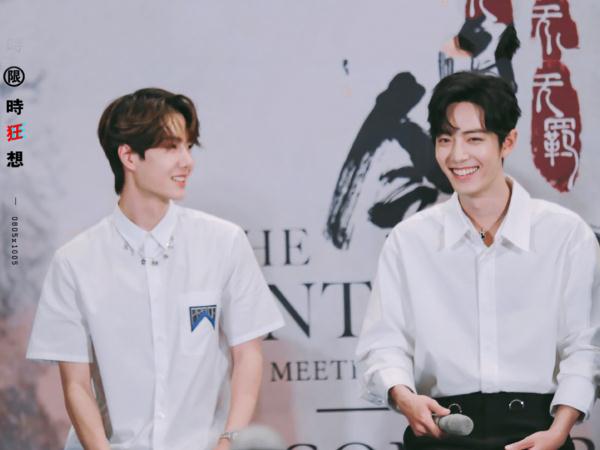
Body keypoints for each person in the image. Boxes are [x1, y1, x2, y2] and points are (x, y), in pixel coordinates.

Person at [26, 88, 284, 450]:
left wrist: (228, 441)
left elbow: (248, 355)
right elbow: (75, 384)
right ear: (129, 156)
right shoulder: (75, 262)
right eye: (171, 148)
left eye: (188, 147)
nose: (187, 161)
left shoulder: (224, 242)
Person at [356, 71, 599, 450]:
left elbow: (585, 347)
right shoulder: (409, 240)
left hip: (539, 432)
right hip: (441, 432)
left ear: (508, 141)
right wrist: (403, 397)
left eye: (474, 138)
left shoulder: (565, 234)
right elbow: (383, 344)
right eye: (445, 139)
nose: (457, 155)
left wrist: (559, 430)